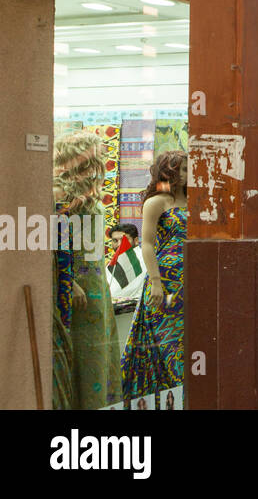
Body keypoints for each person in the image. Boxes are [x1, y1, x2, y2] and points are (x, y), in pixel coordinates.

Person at [51, 131, 122, 410]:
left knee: (100, 354)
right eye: (93, 154)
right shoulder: (58, 193)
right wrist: (69, 284)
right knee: (82, 355)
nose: (99, 160)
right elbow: (53, 242)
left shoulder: (90, 197)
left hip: (97, 286)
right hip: (76, 287)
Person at [122, 148, 188, 399]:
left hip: (190, 280)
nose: (188, 173)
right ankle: (167, 397)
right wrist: (156, 282)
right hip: (166, 282)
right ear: (169, 171)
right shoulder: (157, 202)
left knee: (187, 341)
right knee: (165, 343)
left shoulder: (196, 202)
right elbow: (146, 243)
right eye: (183, 169)